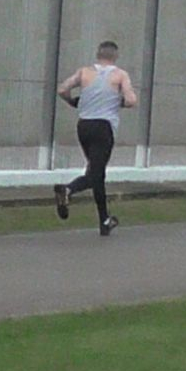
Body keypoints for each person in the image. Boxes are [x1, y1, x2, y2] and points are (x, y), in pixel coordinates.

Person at [53, 40, 137, 236]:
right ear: (115, 56)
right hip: (103, 127)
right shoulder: (119, 75)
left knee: (96, 173)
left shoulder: (84, 72)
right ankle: (67, 190)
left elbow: (62, 90)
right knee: (95, 174)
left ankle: (104, 221)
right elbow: (132, 100)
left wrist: (74, 102)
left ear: (98, 55)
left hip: (84, 126)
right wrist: (118, 102)